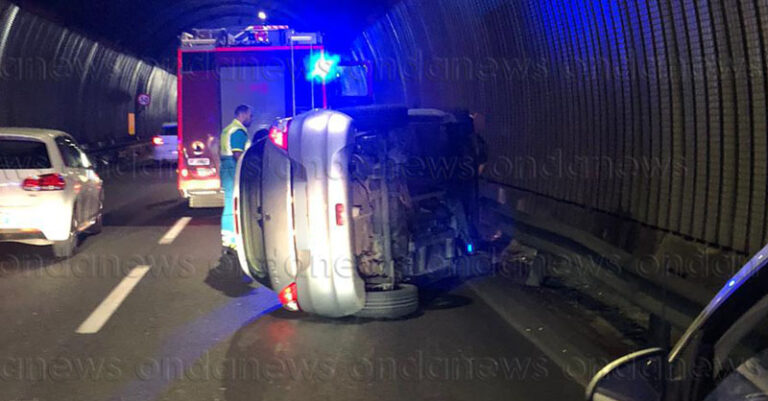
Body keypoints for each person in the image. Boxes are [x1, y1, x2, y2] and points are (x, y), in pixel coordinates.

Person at [220, 104, 253, 250]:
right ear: (243, 114)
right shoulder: (238, 131)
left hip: (226, 166)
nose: (251, 119)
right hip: (233, 167)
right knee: (232, 203)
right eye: (250, 116)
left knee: (229, 202)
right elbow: (237, 153)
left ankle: (228, 238)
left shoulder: (228, 129)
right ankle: (231, 239)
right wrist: (246, 169)